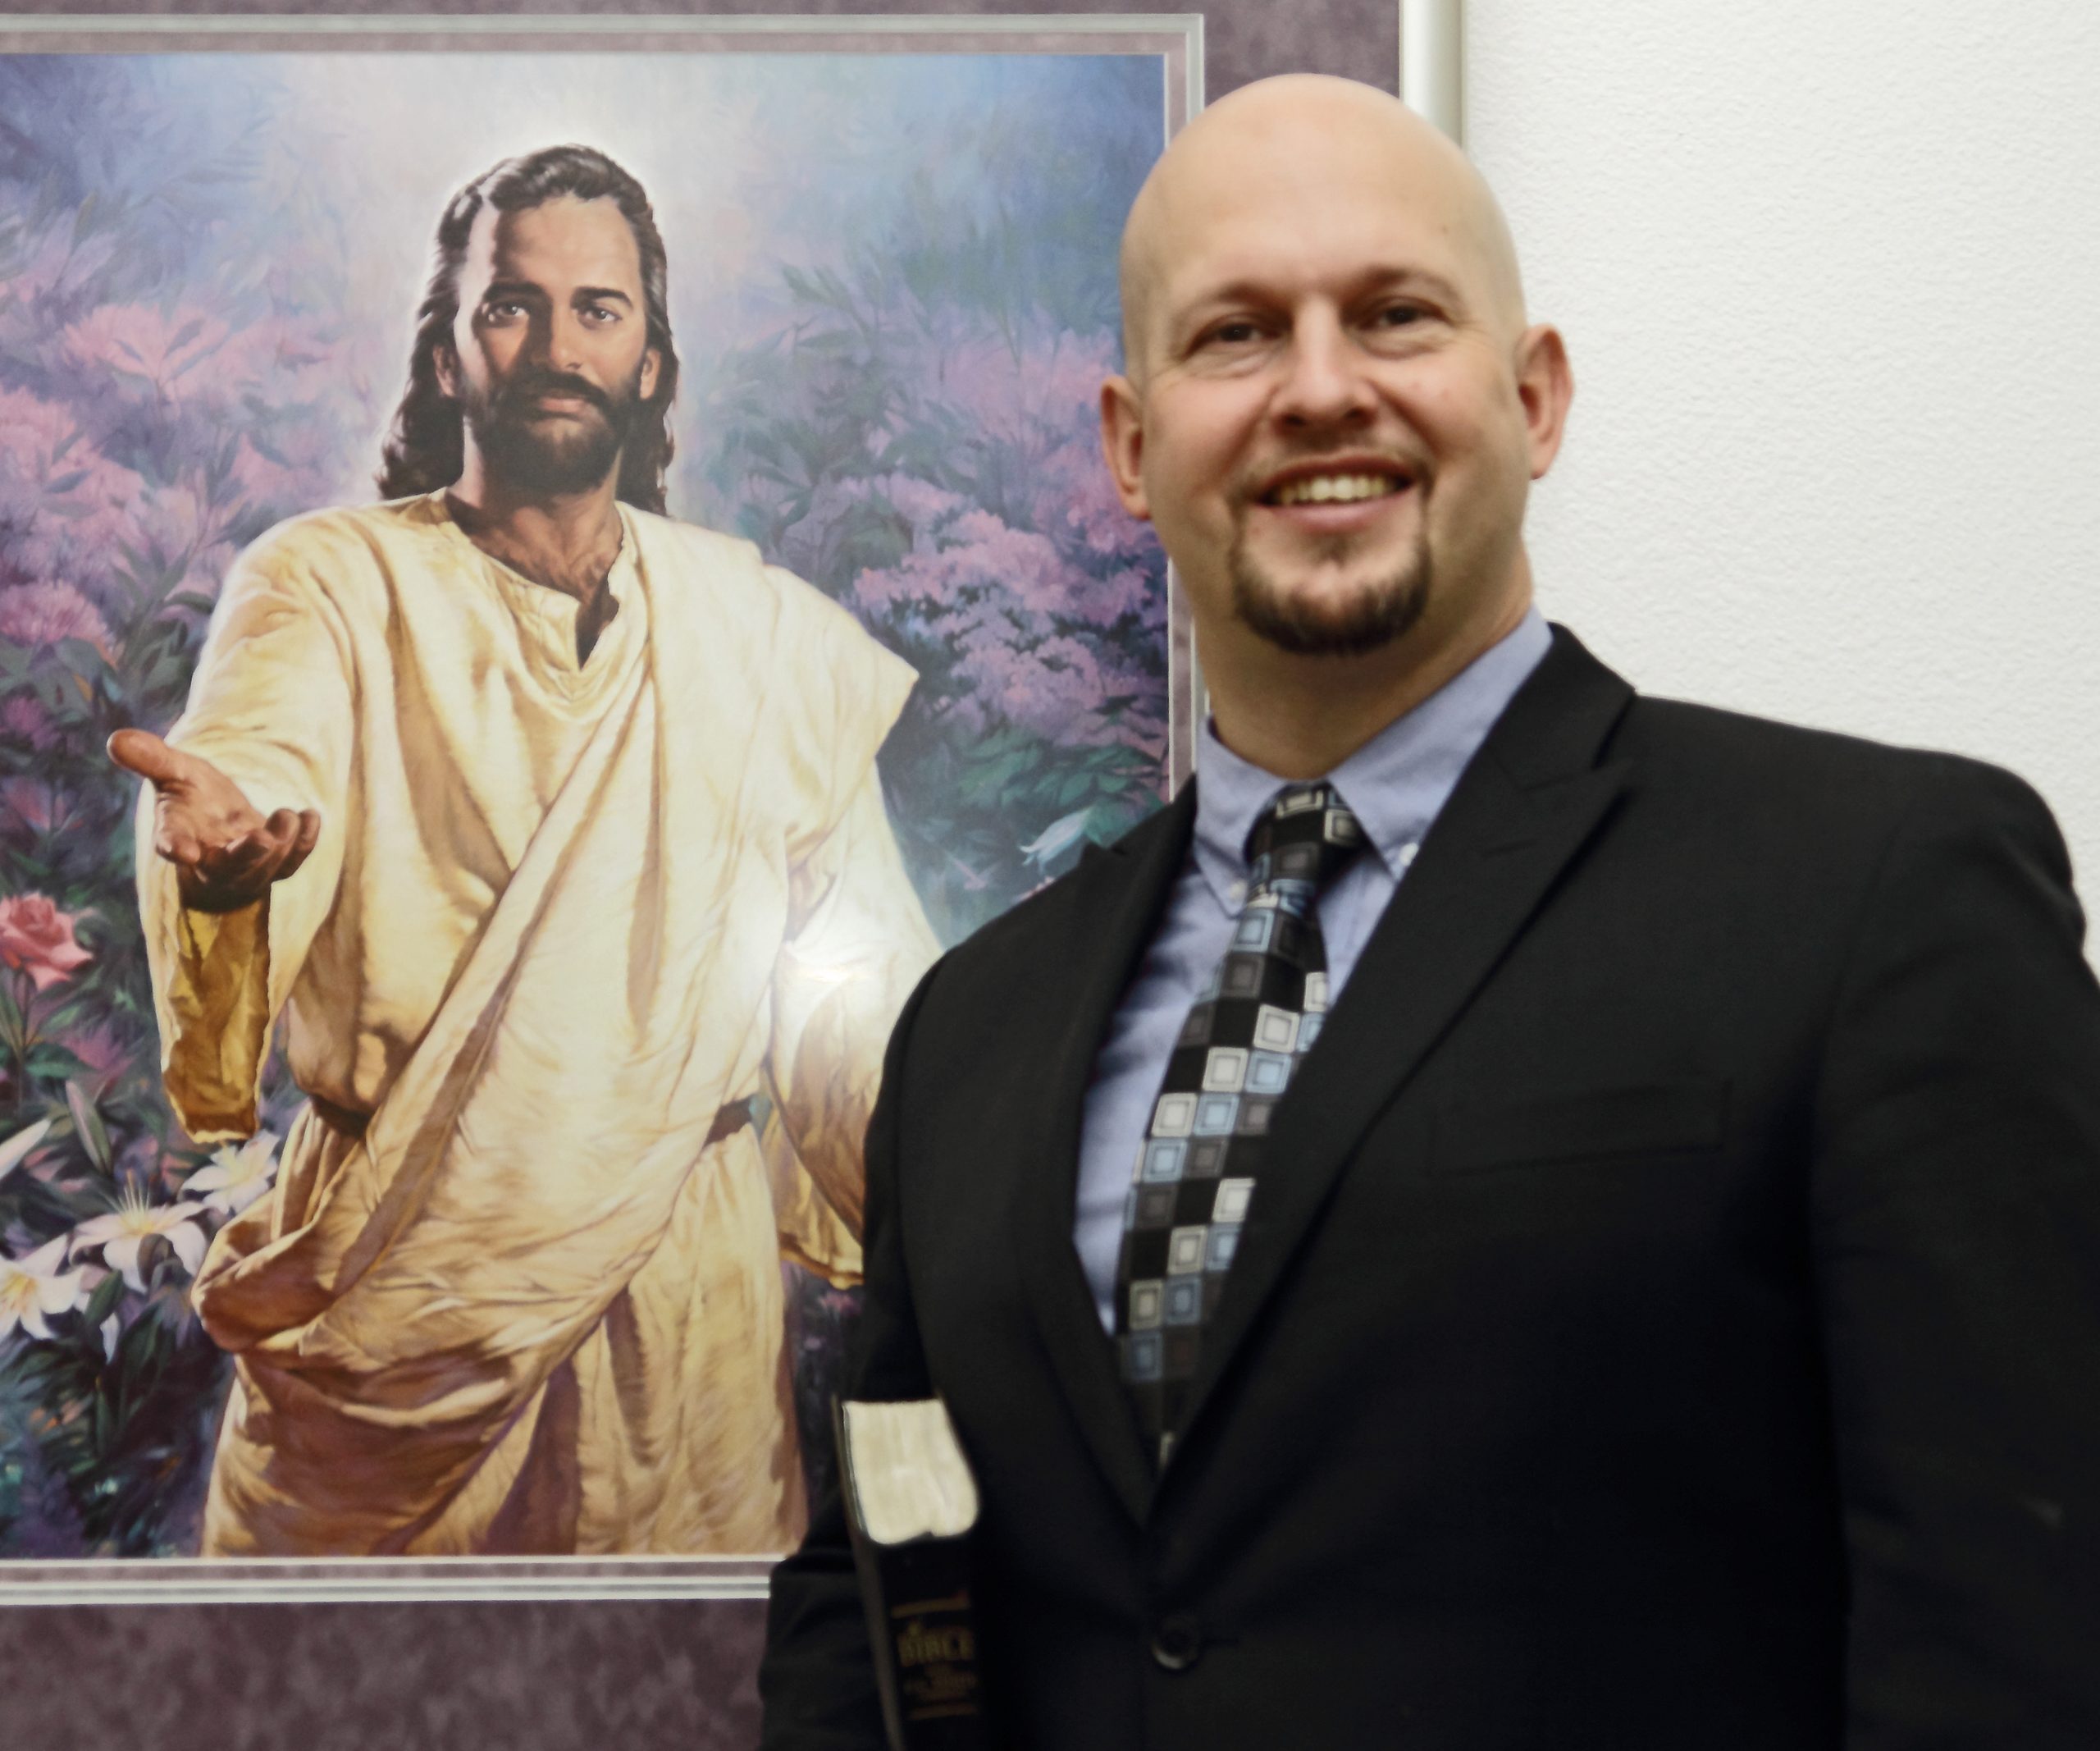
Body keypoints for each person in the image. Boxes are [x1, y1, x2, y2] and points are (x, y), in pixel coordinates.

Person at [759, 75, 2100, 1747]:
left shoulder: (1879, 891)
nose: (1319, 389)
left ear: (1531, 397)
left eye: (1393, 314)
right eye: (1234, 335)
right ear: (1126, 443)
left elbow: (2018, 1639)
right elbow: (878, 1600)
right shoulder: (970, 1028)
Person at [112, 145, 938, 1557]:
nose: (556, 346)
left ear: (654, 365)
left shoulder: (760, 637)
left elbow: (858, 1003)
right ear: (447, 354)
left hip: (684, 1308)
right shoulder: (330, 582)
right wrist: (230, 870)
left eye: (598, 310)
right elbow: (268, 759)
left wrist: (977, 1196)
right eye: (512, 306)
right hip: (401, 1281)